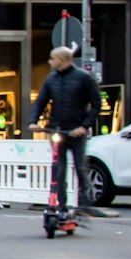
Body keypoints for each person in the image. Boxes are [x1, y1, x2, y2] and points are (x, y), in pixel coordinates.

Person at [29, 46, 103, 215]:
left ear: (62, 60)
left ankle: (86, 204)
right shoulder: (51, 79)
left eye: (52, 58)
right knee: (59, 170)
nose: (49, 62)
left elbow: (96, 105)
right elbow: (40, 102)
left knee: (80, 167)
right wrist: (33, 121)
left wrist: (84, 126)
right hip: (57, 129)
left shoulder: (84, 78)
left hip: (76, 131)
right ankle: (61, 206)